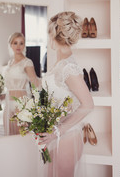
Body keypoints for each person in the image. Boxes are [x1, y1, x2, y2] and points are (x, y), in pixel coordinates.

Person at [39, 11, 94, 177]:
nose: (49, 39)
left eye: (50, 34)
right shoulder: (60, 63)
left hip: (67, 139)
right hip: (58, 136)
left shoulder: (68, 68)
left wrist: (56, 131)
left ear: (56, 35)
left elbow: (88, 105)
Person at [2, 32, 40, 135]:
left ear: (24, 45)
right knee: (9, 134)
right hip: (8, 104)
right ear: (10, 45)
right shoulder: (10, 63)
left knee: (22, 135)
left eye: (21, 43)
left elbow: (35, 83)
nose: (18, 46)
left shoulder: (27, 62)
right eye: (15, 43)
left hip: (21, 104)